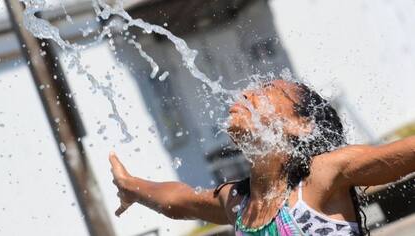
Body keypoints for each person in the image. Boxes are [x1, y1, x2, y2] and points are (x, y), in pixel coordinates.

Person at [109, 79, 415, 235]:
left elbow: (404, 153)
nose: (247, 94)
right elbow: (177, 200)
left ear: (300, 125)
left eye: (268, 89)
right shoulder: (238, 202)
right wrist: (132, 186)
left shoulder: (319, 178)